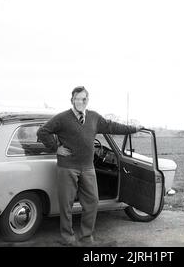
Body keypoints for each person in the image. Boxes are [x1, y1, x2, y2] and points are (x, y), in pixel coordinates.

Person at [37, 86, 143, 246]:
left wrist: (133, 129)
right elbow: (43, 132)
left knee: (92, 202)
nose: (81, 101)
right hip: (67, 167)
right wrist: (56, 148)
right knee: (66, 204)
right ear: (72, 100)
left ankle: (86, 237)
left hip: (88, 167)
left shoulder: (94, 117)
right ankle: (67, 237)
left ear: (87, 100)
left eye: (84, 98)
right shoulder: (62, 118)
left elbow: (112, 126)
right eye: (77, 98)